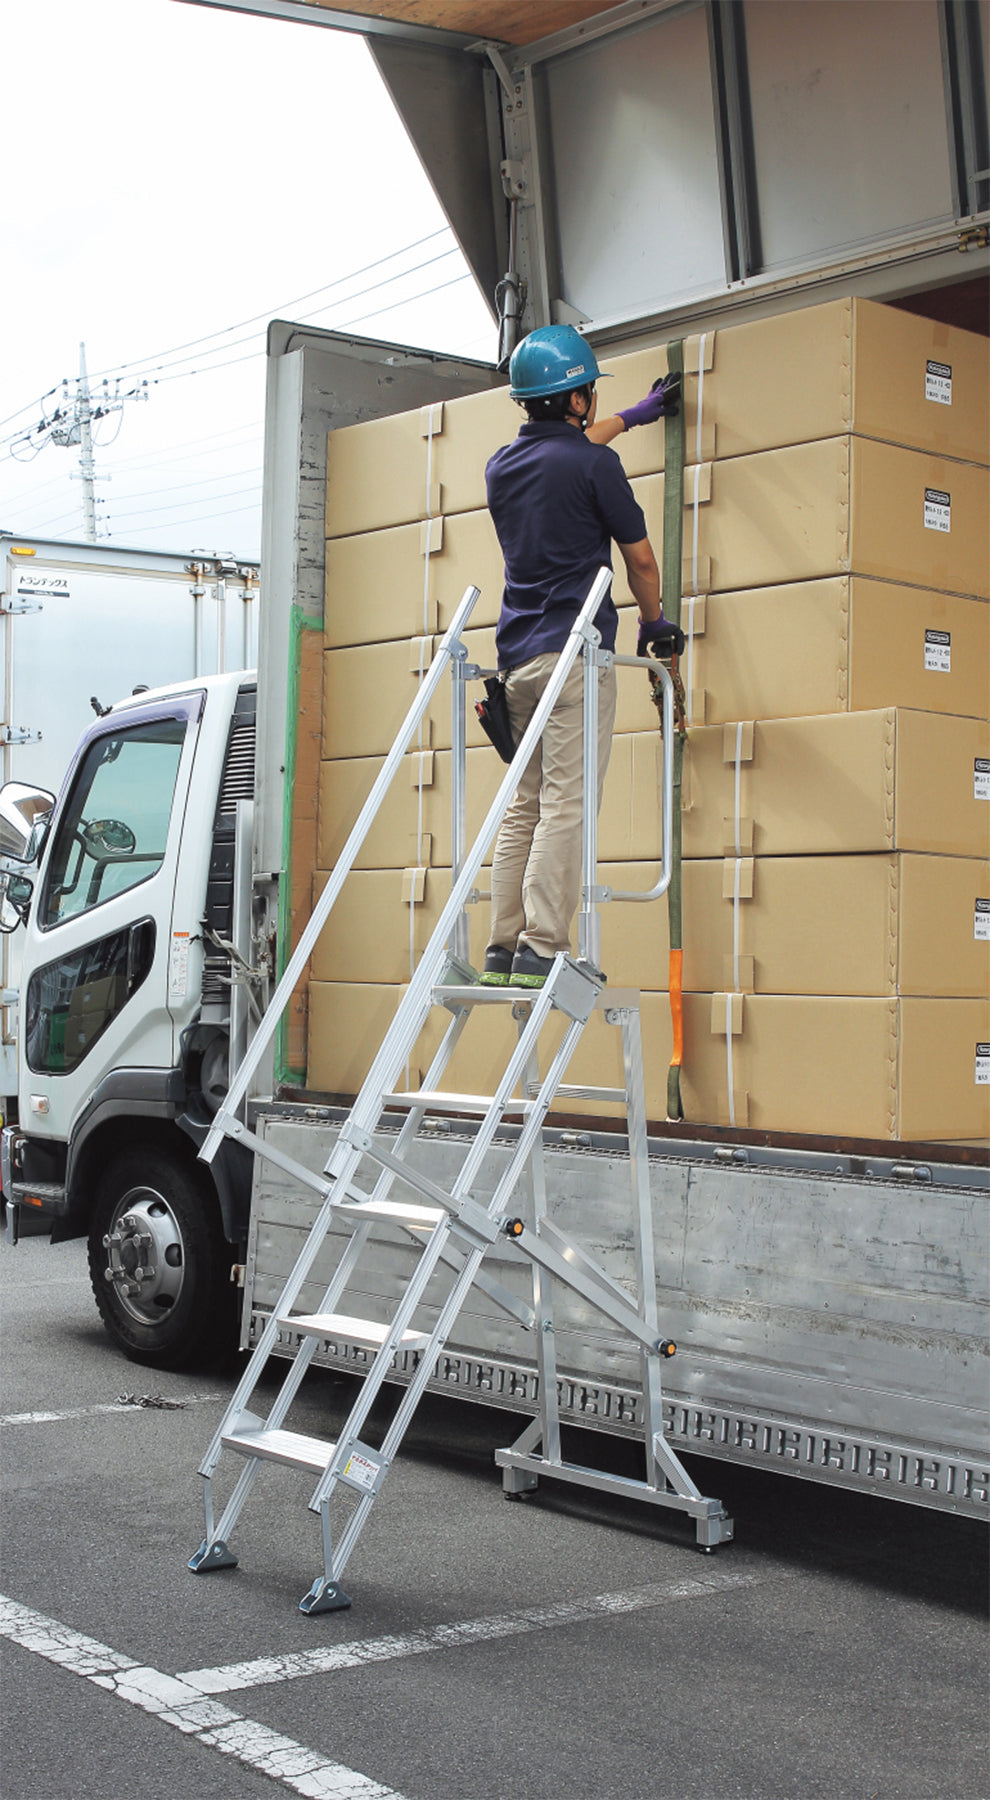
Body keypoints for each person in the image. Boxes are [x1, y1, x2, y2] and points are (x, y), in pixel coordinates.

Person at [480, 323, 685, 989]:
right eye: (590, 395)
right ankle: (544, 946)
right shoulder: (594, 466)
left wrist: (631, 418)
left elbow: (566, 454)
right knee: (567, 803)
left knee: (526, 803)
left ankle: (503, 946)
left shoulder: (501, 467)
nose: (594, 404)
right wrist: (655, 625)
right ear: (574, 401)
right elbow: (642, 560)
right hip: (573, 659)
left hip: (516, 662)